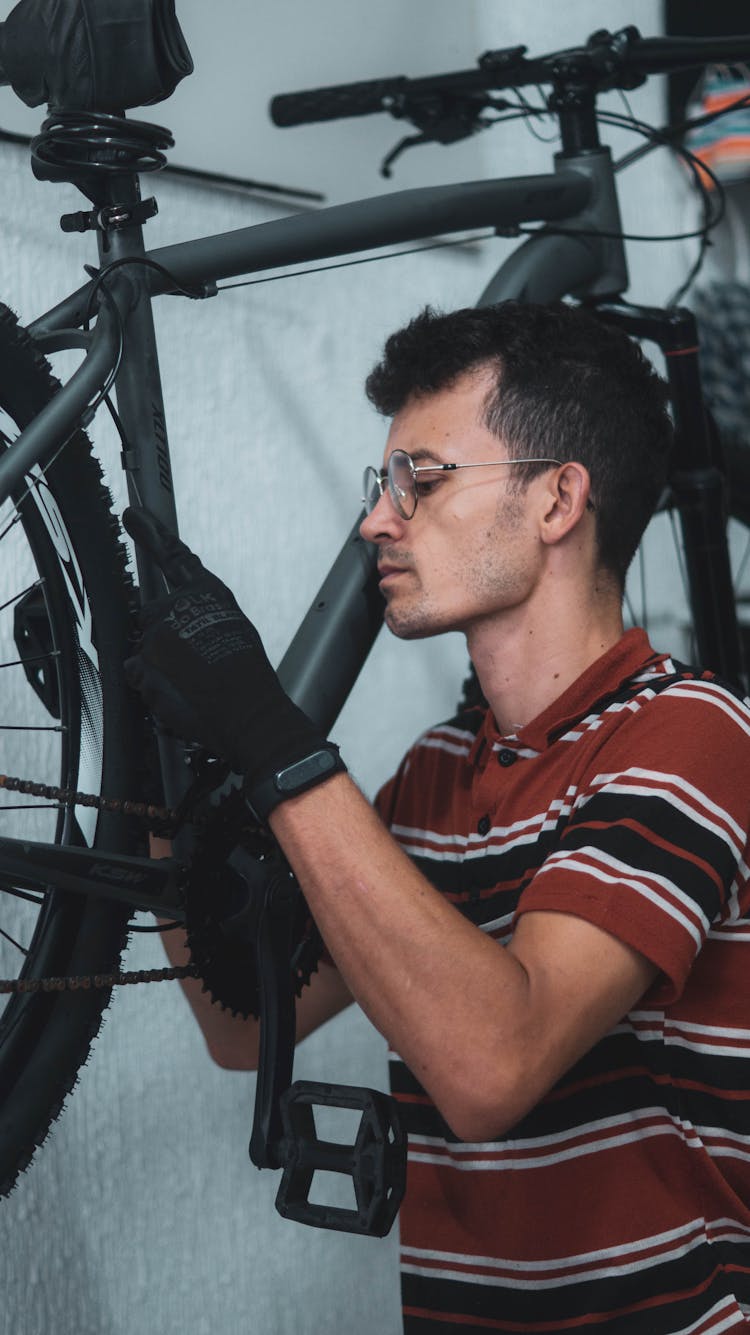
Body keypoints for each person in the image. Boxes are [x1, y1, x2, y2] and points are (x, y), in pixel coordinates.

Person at [124, 302, 750, 1335]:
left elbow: (493, 1067)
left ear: (558, 500)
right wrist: (147, 750)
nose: (378, 519)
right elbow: (245, 1023)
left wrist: (275, 744)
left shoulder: (693, 736)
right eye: (383, 486)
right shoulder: (438, 776)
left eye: (419, 478)